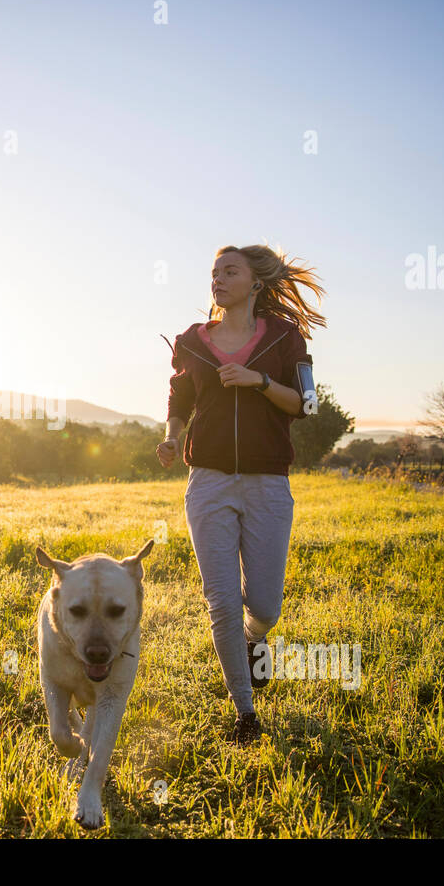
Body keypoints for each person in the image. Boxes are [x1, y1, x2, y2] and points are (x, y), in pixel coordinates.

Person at [156, 244, 326, 745]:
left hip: (268, 483)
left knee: (266, 606)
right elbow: (179, 399)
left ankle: (256, 639)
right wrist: (171, 435)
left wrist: (259, 382)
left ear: (255, 283)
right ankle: (245, 713)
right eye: (214, 273)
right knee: (222, 601)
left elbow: (308, 404)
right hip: (207, 481)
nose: (218, 279)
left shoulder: (285, 338)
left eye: (230, 271)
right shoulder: (192, 341)